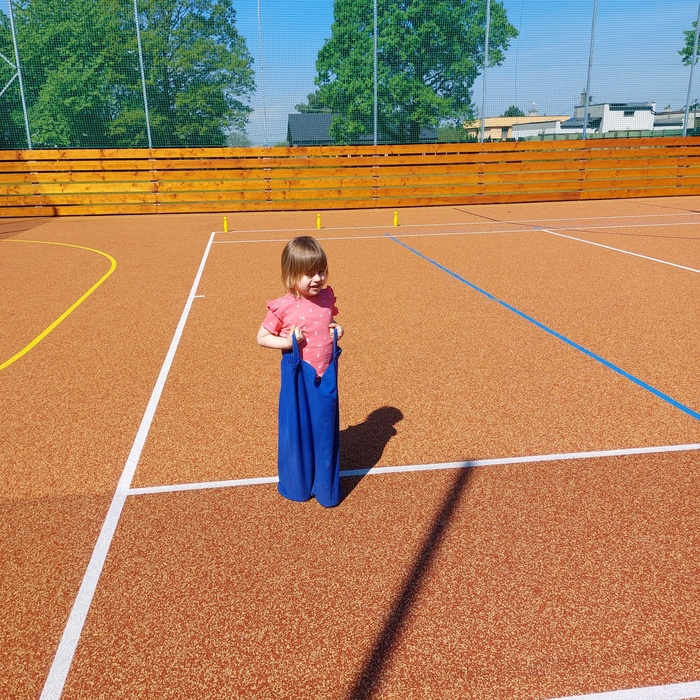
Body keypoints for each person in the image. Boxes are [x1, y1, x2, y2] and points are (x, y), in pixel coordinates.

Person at [257, 236, 344, 507]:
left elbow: (329, 321)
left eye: (321, 271)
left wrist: (338, 330)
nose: (317, 279)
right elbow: (262, 337)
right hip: (298, 377)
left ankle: (325, 487)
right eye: (309, 274)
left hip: (325, 375)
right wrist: (287, 342)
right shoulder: (283, 306)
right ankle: (298, 484)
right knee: (298, 428)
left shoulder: (326, 297)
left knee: (325, 427)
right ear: (290, 275)